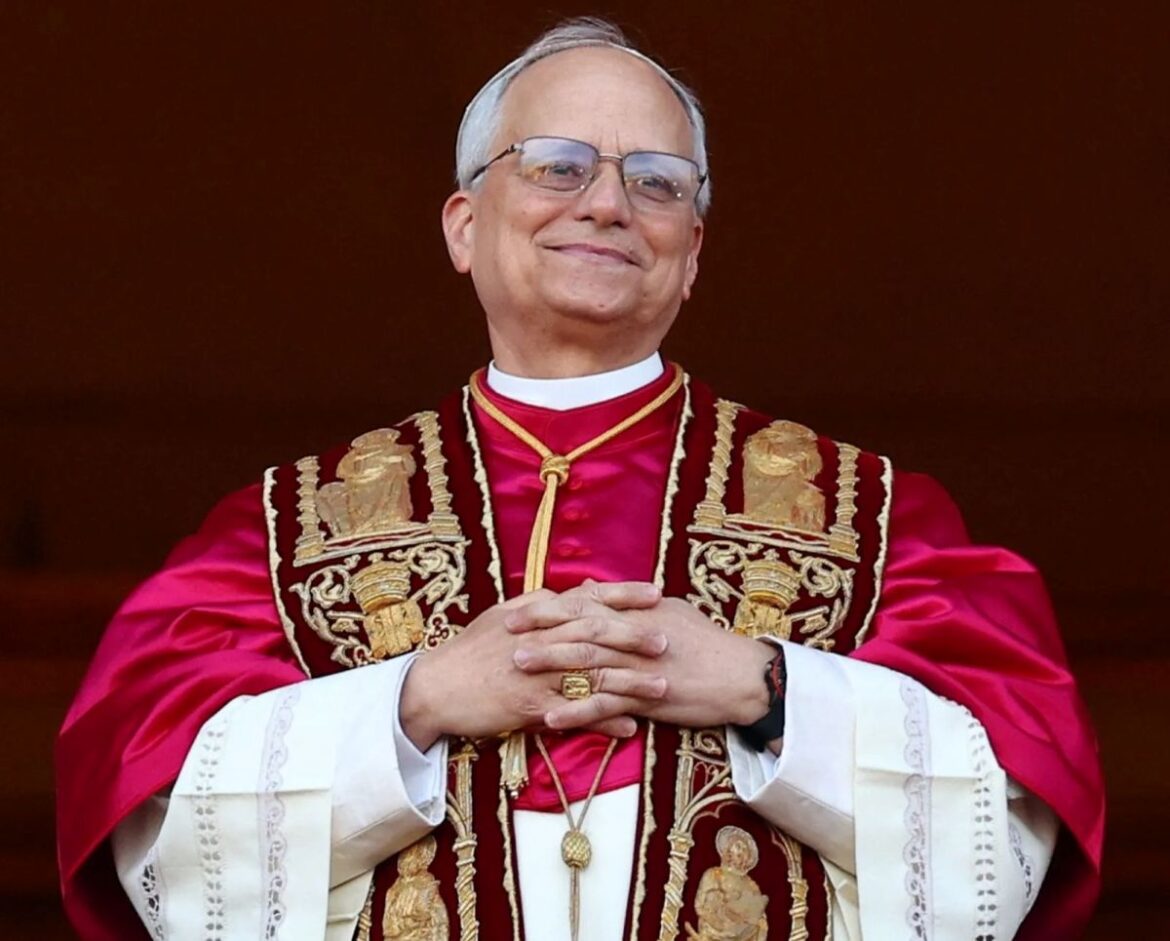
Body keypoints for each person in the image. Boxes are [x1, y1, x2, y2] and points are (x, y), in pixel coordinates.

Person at [56, 18, 1104, 941]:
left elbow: (1005, 817)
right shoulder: (285, 531)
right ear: (464, 225)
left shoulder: (873, 520)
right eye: (556, 165)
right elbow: (153, 821)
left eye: (657, 181)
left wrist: (768, 687)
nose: (606, 202)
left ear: (692, 250)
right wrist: (416, 701)